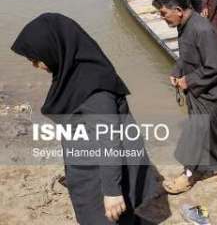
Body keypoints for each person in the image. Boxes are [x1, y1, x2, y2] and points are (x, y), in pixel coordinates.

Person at [11, 13, 160, 224]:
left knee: (104, 217)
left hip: (101, 173)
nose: (35, 65)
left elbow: (109, 138)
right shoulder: (72, 72)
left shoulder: (93, 86)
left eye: (36, 59)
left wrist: (111, 191)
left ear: (54, 48)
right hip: (88, 166)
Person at [152, 0, 217, 195]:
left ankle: (188, 175)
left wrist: (189, 81)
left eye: (163, 14)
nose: (163, 19)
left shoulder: (202, 29)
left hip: (212, 92)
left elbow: (215, 66)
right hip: (202, 88)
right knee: (214, 133)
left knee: (196, 134)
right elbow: (188, 55)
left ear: (178, 10)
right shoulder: (184, 25)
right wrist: (177, 69)